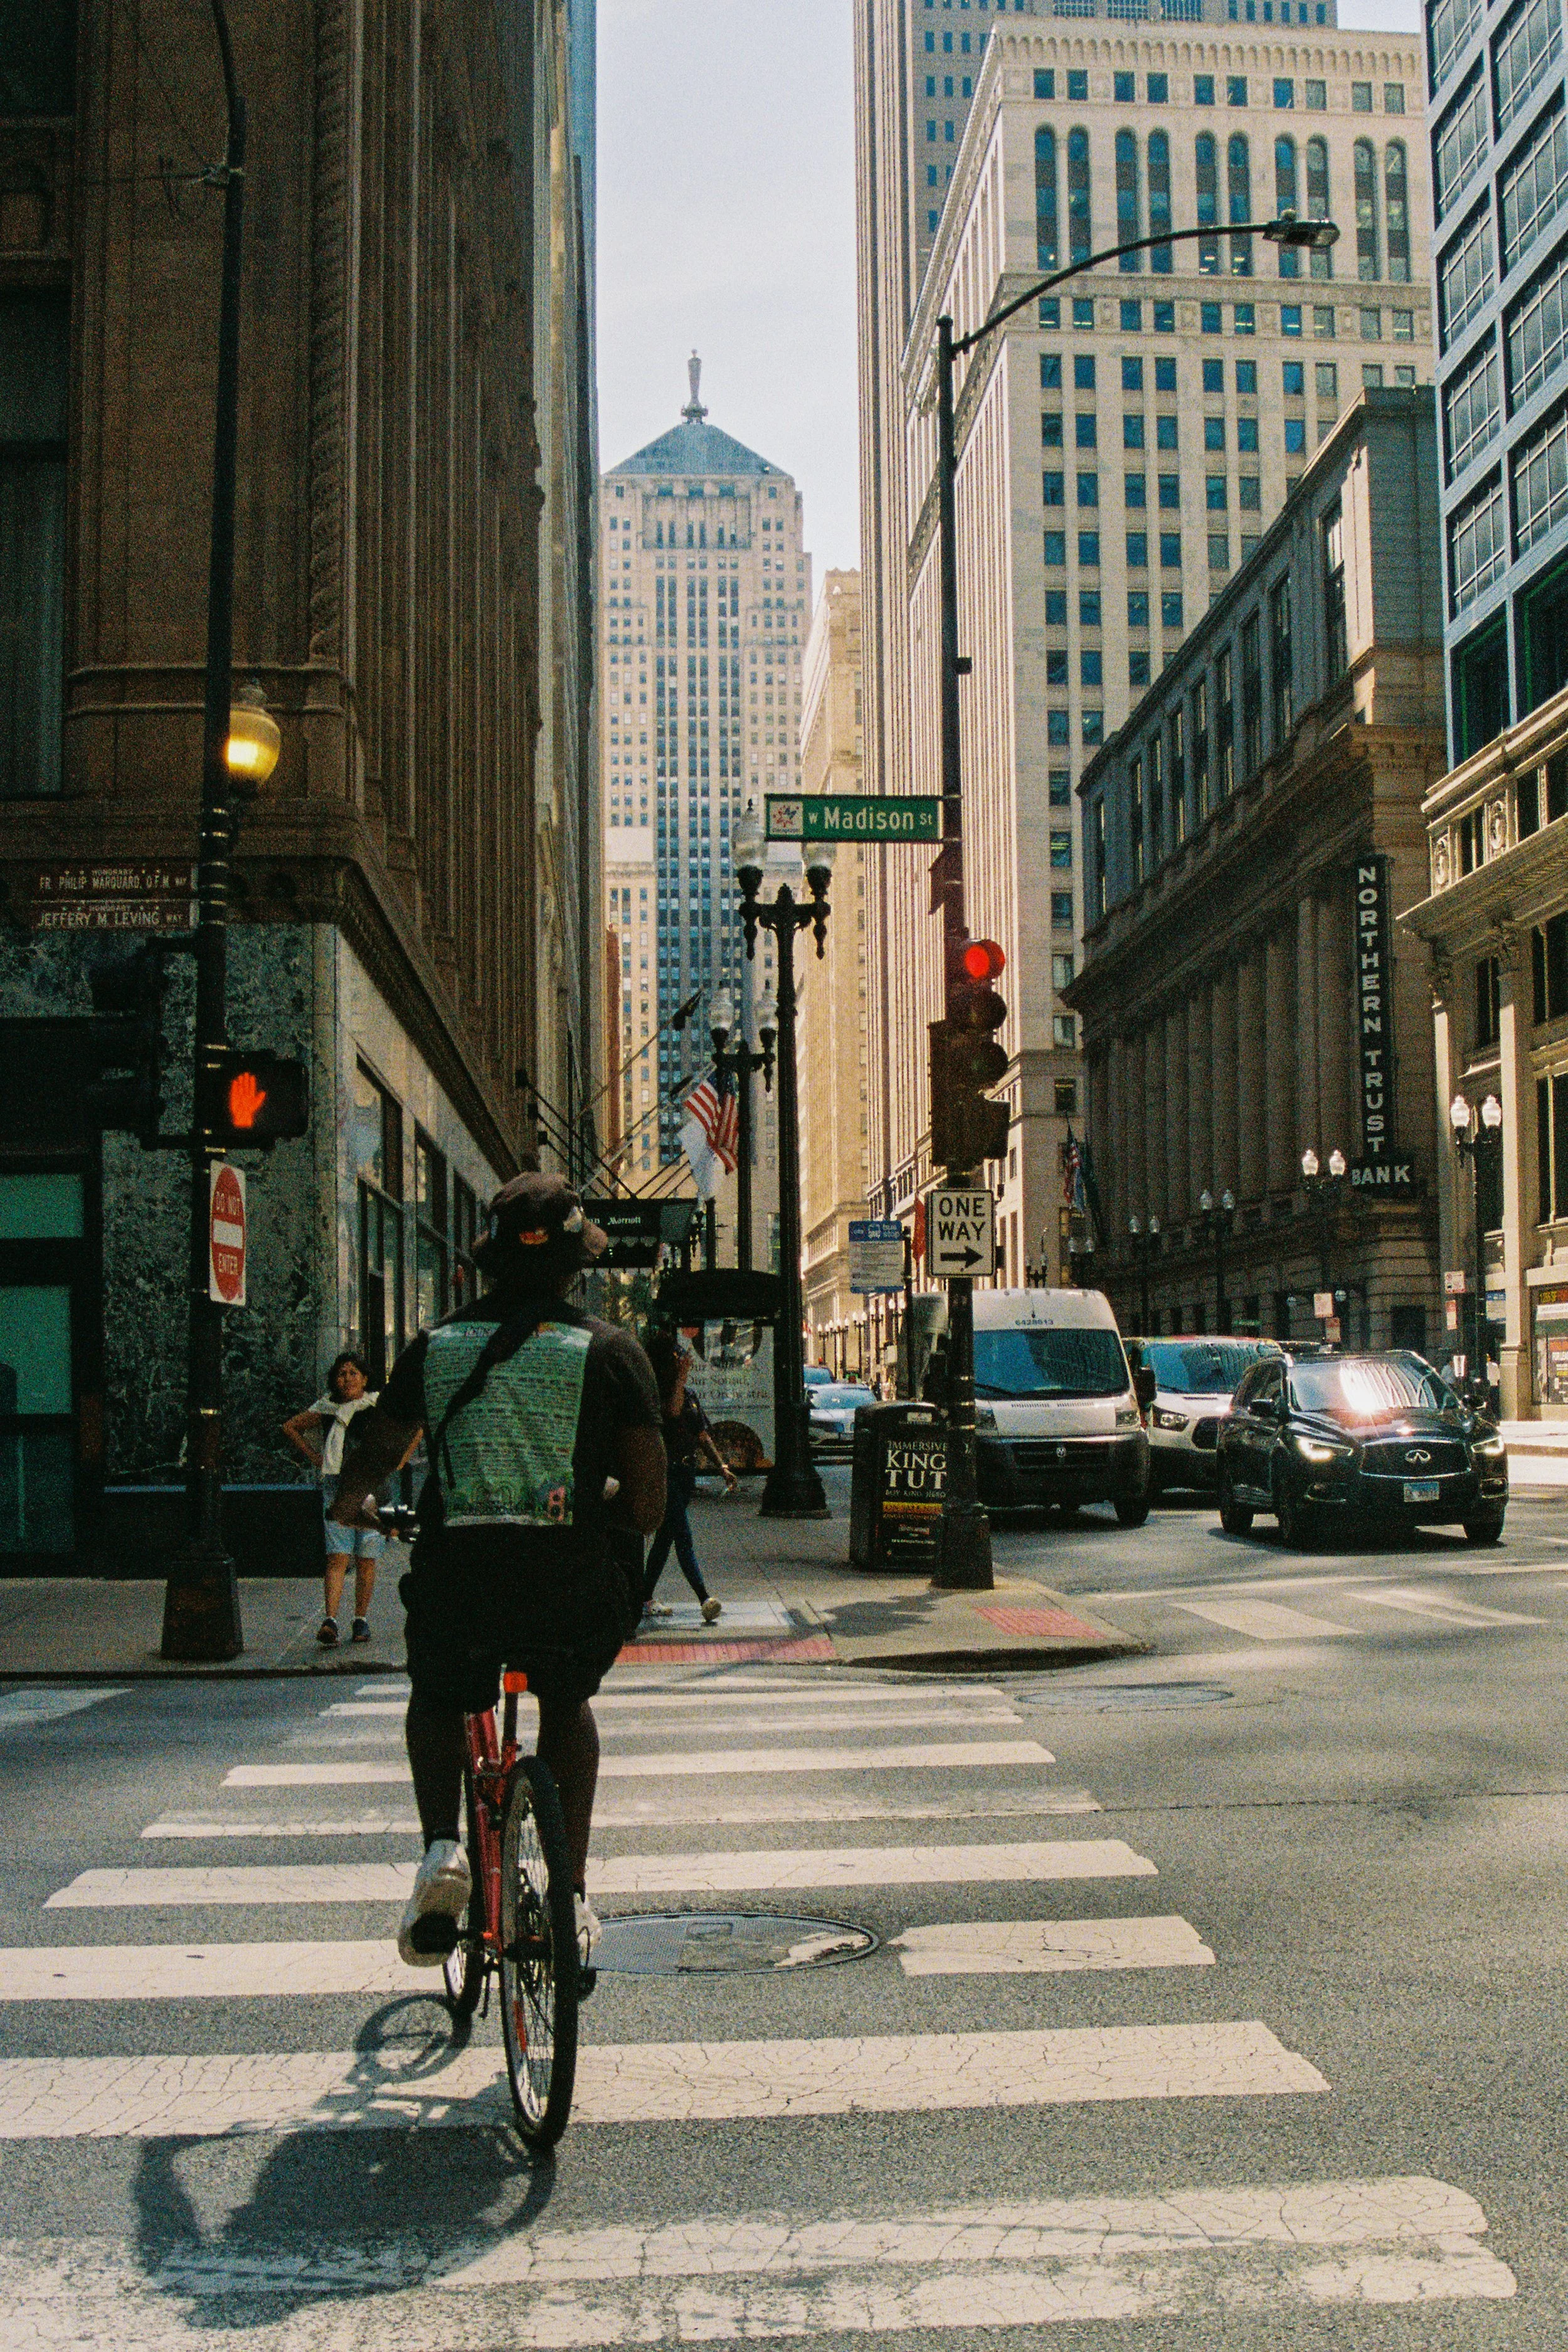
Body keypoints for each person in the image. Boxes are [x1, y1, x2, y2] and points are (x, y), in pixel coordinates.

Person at [327, 1172, 666, 1969]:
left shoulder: (435, 1348)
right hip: (570, 1586)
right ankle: (571, 1894)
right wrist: (592, 1499)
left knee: (438, 1695)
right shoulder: (611, 1353)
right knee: (568, 1703)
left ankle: (442, 1848)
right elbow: (648, 1507)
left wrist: (353, 1502)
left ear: (487, 1260)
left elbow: (380, 1445)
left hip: (462, 1581)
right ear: (576, 1263)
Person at [283, 1352, 386, 1646]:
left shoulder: (376, 1405)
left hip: (370, 1487)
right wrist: (317, 1458)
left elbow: (413, 1428)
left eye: (353, 1373)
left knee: (367, 1556)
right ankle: (331, 1620)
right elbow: (291, 1427)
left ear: (365, 1378)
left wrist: (400, 1460)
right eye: (342, 1374)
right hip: (337, 1486)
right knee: (337, 1554)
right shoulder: (327, 1408)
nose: (347, 1379)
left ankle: (361, 1620)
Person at [641, 1330, 736, 1624]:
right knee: (683, 1537)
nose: (683, 1358)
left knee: (665, 1539)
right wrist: (682, 1375)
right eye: (676, 1354)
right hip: (666, 1473)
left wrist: (721, 1466)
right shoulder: (657, 1392)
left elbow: (701, 1434)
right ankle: (704, 1598)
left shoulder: (689, 1394)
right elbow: (671, 1411)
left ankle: (643, 1596)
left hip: (685, 1475)